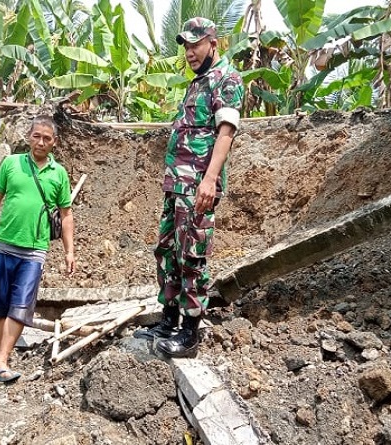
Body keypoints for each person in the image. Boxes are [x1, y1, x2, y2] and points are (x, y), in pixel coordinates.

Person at [134, 17, 244, 358]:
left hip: (198, 185)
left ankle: (190, 333)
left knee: (192, 256)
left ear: (214, 42)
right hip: (177, 184)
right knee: (167, 252)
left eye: (196, 44)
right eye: (185, 46)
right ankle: (168, 320)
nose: (189, 52)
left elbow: (225, 132)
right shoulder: (197, 82)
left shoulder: (227, 78)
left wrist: (209, 180)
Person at [0, 115, 75, 383]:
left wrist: (69, 251)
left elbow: (66, 215)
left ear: (55, 142)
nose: (41, 142)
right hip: (4, 244)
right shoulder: (11, 164)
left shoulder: (58, 174)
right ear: (29, 136)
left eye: (46, 138)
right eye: (36, 136)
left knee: (20, 305)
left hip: (35, 249)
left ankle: (2, 360)